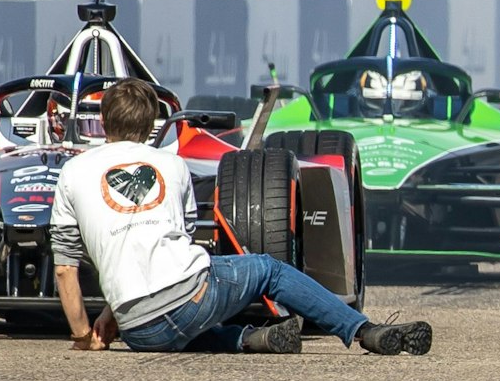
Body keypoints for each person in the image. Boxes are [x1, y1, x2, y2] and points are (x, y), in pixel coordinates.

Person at [50, 78, 432, 356]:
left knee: (173, 329)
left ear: (102, 120)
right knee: (268, 269)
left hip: (139, 330)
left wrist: (86, 332)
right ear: (152, 123)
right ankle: (362, 330)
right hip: (190, 300)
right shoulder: (172, 164)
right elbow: (171, 247)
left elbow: (66, 269)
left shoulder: (72, 172)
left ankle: (249, 339)